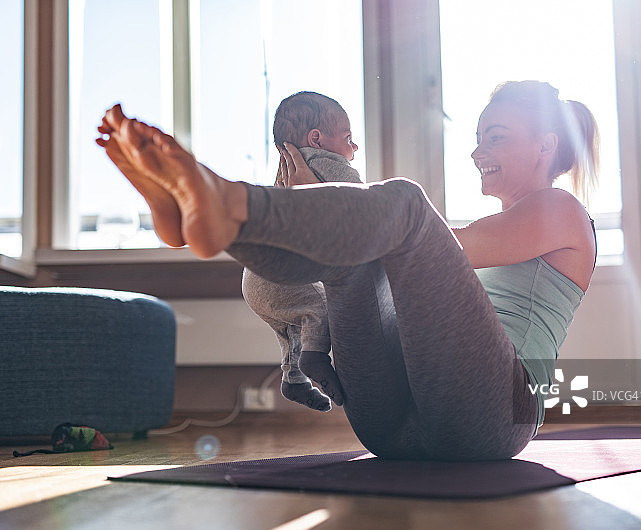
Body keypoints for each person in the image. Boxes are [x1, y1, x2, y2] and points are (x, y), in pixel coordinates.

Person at [96, 80, 598, 461]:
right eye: (478, 138)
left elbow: (442, 243)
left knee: (407, 206)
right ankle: (206, 222)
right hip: (391, 424)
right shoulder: (504, 223)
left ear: (545, 146)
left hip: (493, 415)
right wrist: (320, 206)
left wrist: (327, 199)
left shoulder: (561, 210)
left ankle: (229, 204)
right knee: (352, 259)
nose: (476, 152)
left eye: (495, 137)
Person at [242, 91, 361, 412]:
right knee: (318, 310)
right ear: (317, 139)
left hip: (257, 276)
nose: (354, 147)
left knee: (295, 326)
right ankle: (316, 359)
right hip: (282, 273)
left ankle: (292, 377)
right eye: (349, 137)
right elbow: (364, 205)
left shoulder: (289, 169)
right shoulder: (326, 163)